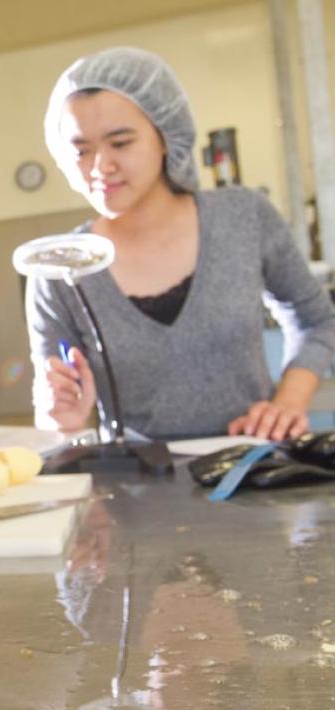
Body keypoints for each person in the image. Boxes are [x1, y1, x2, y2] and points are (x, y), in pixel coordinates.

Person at [30, 47, 335, 441]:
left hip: (251, 471)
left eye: (120, 143)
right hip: (133, 491)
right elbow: (55, 409)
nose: (100, 166)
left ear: (165, 137)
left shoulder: (244, 218)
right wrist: (61, 418)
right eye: (81, 151)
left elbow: (317, 320)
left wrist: (289, 400)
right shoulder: (61, 269)